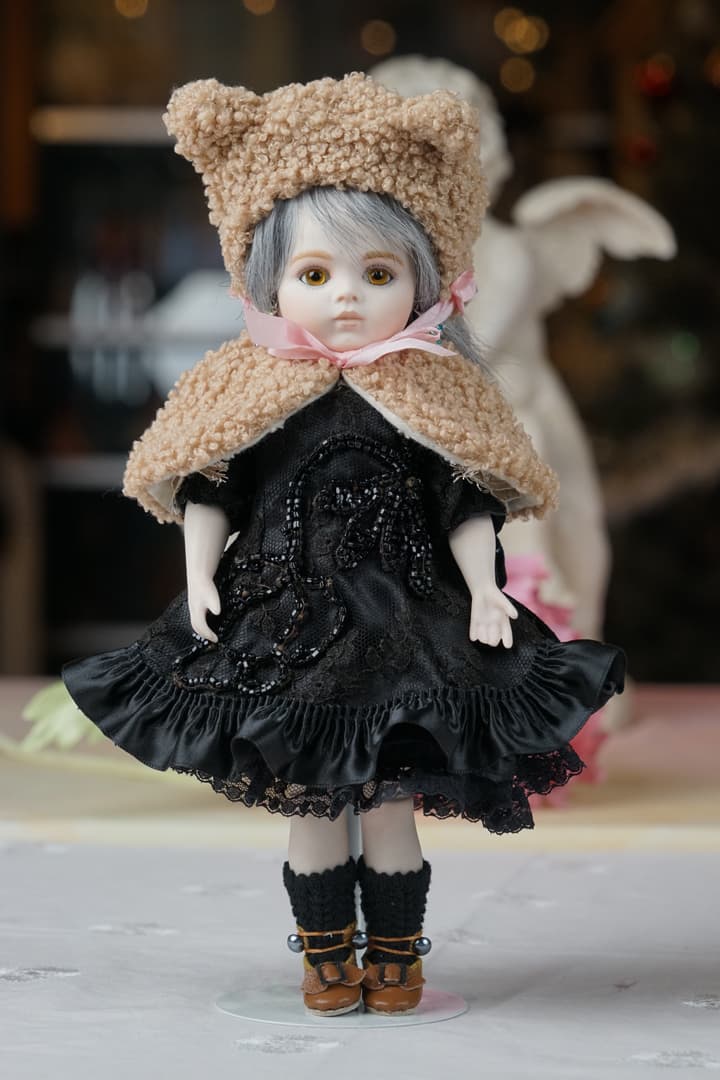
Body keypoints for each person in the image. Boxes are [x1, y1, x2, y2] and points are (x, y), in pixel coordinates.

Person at [62, 73, 625, 1018]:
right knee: (314, 807)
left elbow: (465, 500)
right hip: (287, 629)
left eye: (379, 275)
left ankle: (396, 956)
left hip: (409, 627)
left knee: (391, 809)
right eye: (316, 276)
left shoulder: (430, 392)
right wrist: (199, 577)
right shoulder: (255, 391)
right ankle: (326, 955)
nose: (349, 300)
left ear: (424, 281)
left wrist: (488, 589)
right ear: (266, 281)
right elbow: (212, 489)